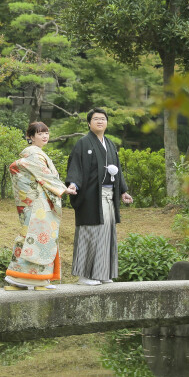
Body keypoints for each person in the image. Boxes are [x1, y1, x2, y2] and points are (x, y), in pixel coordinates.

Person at [4, 122, 76, 291]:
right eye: (40, 133)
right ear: (30, 137)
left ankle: (23, 279)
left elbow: (45, 177)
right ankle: (32, 279)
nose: (45, 136)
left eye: (46, 133)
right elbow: (47, 177)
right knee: (36, 238)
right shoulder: (34, 156)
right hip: (38, 205)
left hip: (35, 204)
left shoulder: (35, 155)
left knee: (31, 237)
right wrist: (63, 189)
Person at [65, 108, 132, 286]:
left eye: (103, 119)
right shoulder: (83, 143)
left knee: (107, 233)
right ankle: (84, 276)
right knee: (89, 232)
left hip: (109, 196)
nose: (100, 121)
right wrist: (73, 184)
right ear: (89, 123)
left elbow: (118, 171)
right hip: (90, 197)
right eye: (96, 119)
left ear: (107, 122)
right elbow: (76, 167)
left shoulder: (110, 144)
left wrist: (123, 191)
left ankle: (103, 273)